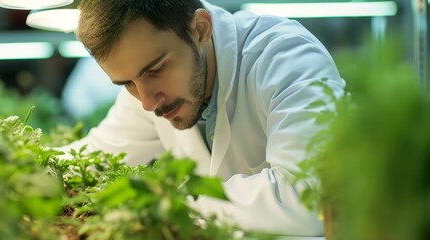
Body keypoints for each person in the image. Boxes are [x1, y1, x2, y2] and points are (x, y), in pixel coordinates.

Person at [58, 0, 345, 236]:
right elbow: (96, 155)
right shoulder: (150, 91)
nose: (147, 102)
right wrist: (27, 167)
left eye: (155, 69)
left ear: (200, 29)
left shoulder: (286, 58)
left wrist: (171, 200)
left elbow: (307, 199)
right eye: (127, 84)